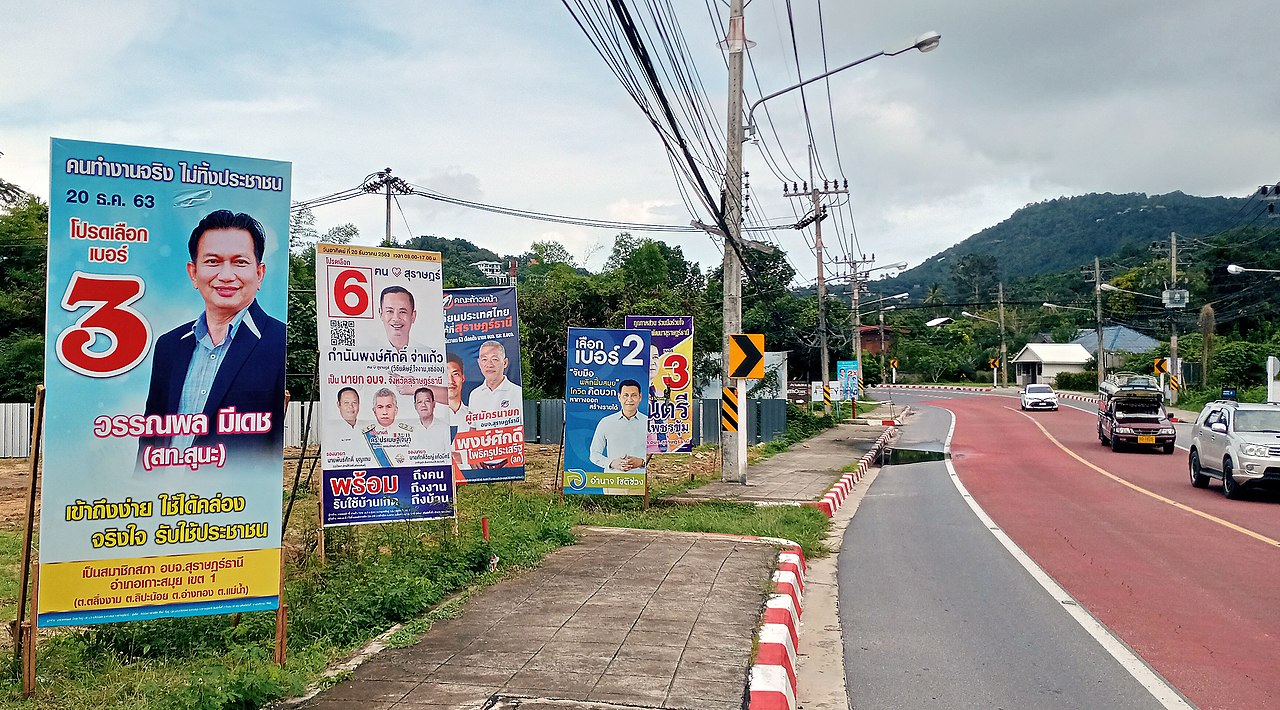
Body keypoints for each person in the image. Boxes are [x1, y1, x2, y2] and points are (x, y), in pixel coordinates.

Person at [139, 209, 285, 461]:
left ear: (259, 273)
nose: (226, 276)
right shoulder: (169, 346)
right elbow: (151, 435)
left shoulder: (280, 342)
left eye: (240, 262)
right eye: (213, 262)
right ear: (193, 273)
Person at [589, 379, 648, 473]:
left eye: (634, 395)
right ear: (619, 397)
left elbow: (657, 455)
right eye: (626, 395)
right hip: (612, 479)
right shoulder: (606, 422)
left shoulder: (649, 423)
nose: (629, 399)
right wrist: (612, 463)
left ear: (640, 397)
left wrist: (641, 462)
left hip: (640, 478)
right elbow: (594, 454)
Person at [466, 339, 522, 427]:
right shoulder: (475, 395)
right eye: (484, 359)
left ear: (505, 363)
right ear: (479, 363)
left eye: (494, 359)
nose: (489, 365)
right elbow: (473, 428)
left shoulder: (517, 393)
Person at [361, 388, 413, 467]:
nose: (385, 412)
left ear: (396, 410)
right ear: (374, 411)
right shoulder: (365, 434)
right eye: (380, 407)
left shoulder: (408, 432)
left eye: (389, 407)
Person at [325, 387, 374, 468]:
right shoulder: (331, 429)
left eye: (354, 402)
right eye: (346, 403)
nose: (350, 407)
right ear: (338, 404)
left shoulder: (368, 428)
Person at [379, 285, 428, 353]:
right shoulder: (368, 352)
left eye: (402, 312)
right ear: (381, 314)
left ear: (413, 316)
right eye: (390, 311)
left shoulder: (427, 353)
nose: (396, 318)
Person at [407, 386, 450, 464]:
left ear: (434, 404)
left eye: (427, 401)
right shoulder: (409, 431)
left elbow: (449, 458)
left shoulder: (445, 428)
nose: (423, 405)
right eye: (419, 402)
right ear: (415, 406)